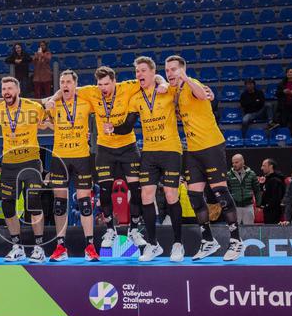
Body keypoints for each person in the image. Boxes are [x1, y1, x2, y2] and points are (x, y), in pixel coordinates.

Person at [165, 56, 244, 261]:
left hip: (210, 145)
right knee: (194, 196)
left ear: (183, 70)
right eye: (168, 70)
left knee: (220, 193)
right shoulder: (175, 90)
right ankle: (208, 240)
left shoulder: (194, 85)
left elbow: (203, 95)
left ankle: (236, 241)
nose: (170, 73)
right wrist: (159, 79)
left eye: (174, 70)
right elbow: (160, 83)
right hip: (192, 150)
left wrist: (187, 78)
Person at [106, 57, 184, 262]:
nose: (139, 74)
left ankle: (178, 244)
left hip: (170, 150)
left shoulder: (167, 91)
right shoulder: (136, 98)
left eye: (142, 71)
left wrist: (164, 82)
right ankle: (152, 244)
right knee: (146, 196)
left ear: (152, 72)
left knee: (170, 195)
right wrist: (114, 128)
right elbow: (128, 126)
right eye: (136, 71)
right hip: (149, 152)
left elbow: (178, 91)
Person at [81, 66, 149, 250]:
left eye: (106, 84)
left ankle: (134, 230)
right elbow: (69, 90)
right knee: (104, 190)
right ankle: (110, 230)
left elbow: (153, 78)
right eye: (100, 84)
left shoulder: (127, 87)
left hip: (128, 146)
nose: (103, 87)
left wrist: (163, 83)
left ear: (114, 80)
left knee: (136, 190)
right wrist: (52, 99)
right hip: (104, 148)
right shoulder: (92, 92)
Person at [0, 76, 48, 263]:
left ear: (18, 90)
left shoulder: (34, 107)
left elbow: (50, 123)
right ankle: (17, 247)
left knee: (34, 203)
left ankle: (39, 248)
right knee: (7, 205)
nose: (6, 92)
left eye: (9, 88)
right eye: (3, 89)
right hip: (9, 163)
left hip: (30, 161)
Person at [43, 70, 99, 262]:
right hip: (59, 158)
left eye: (68, 82)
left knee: (85, 203)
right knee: (59, 204)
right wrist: (49, 102)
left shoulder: (86, 101)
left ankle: (90, 246)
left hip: (82, 157)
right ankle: (60, 247)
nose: (65, 85)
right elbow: (41, 123)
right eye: (62, 82)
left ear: (75, 84)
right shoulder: (53, 103)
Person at [226, 154, 262, 225]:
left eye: (236, 162)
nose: (234, 164)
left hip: (248, 206)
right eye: (233, 163)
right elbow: (226, 192)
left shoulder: (251, 174)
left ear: (242, 162)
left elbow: (257, 190)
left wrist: (258, 205)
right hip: (235, 207)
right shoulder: (228, 175)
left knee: (249, 230)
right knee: (234, 228)